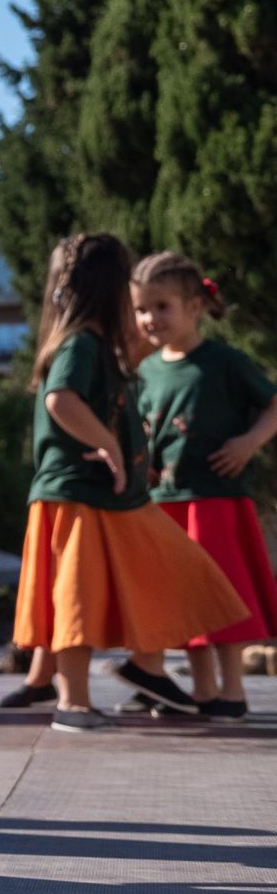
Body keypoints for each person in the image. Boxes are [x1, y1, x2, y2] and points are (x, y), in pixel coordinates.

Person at [11, 234, 245, 733]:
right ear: (111, 289)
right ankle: (73, 701)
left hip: (116, 498)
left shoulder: (99, 345)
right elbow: (61, 399)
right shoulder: (80, 343)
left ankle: (146, 665)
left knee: (178, 569)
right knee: (76, 600)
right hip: (78, 495)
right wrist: (110, 446)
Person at [129, 251, 277, 720]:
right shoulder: (146, 371)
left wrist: (249, 442)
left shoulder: (225, 362)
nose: (150, 318)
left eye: (162, 306)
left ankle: (232, 691)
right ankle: (203, 691)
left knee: (222, 595)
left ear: (194, 306)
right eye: (141, 309)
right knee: (186, 602)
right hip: (165, 504)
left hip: (215, 501)